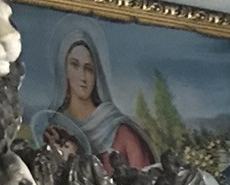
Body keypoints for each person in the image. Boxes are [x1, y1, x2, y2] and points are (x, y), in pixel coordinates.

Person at [30, 25, 154, 173]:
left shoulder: (122, 132)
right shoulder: (54, 127)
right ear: (64, 69)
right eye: (74, 65)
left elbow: (143, 182)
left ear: (97, 75)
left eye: (88, 68)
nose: (83, 76)